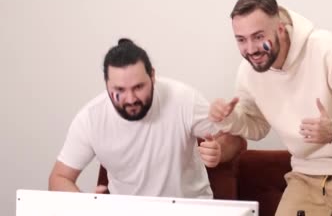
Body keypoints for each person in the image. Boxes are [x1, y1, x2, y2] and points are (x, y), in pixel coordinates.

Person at [211, 0, 332, 215]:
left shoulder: (326, 49)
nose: (250, 49)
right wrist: (230, 119)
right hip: (307, 175)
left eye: (259, 36)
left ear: (280, 29)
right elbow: (258, 127)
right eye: (241, 40)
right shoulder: (248, 72)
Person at [49, 38, 245, 198]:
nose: (131, 99)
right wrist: (85, 204)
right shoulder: (91, 119)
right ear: (107, 84)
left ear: (152, 76)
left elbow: (236, 139)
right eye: (119, 90)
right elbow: (59, 177)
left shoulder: (183, 99)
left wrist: (219, 150)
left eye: (138, 87)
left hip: (190, 210)